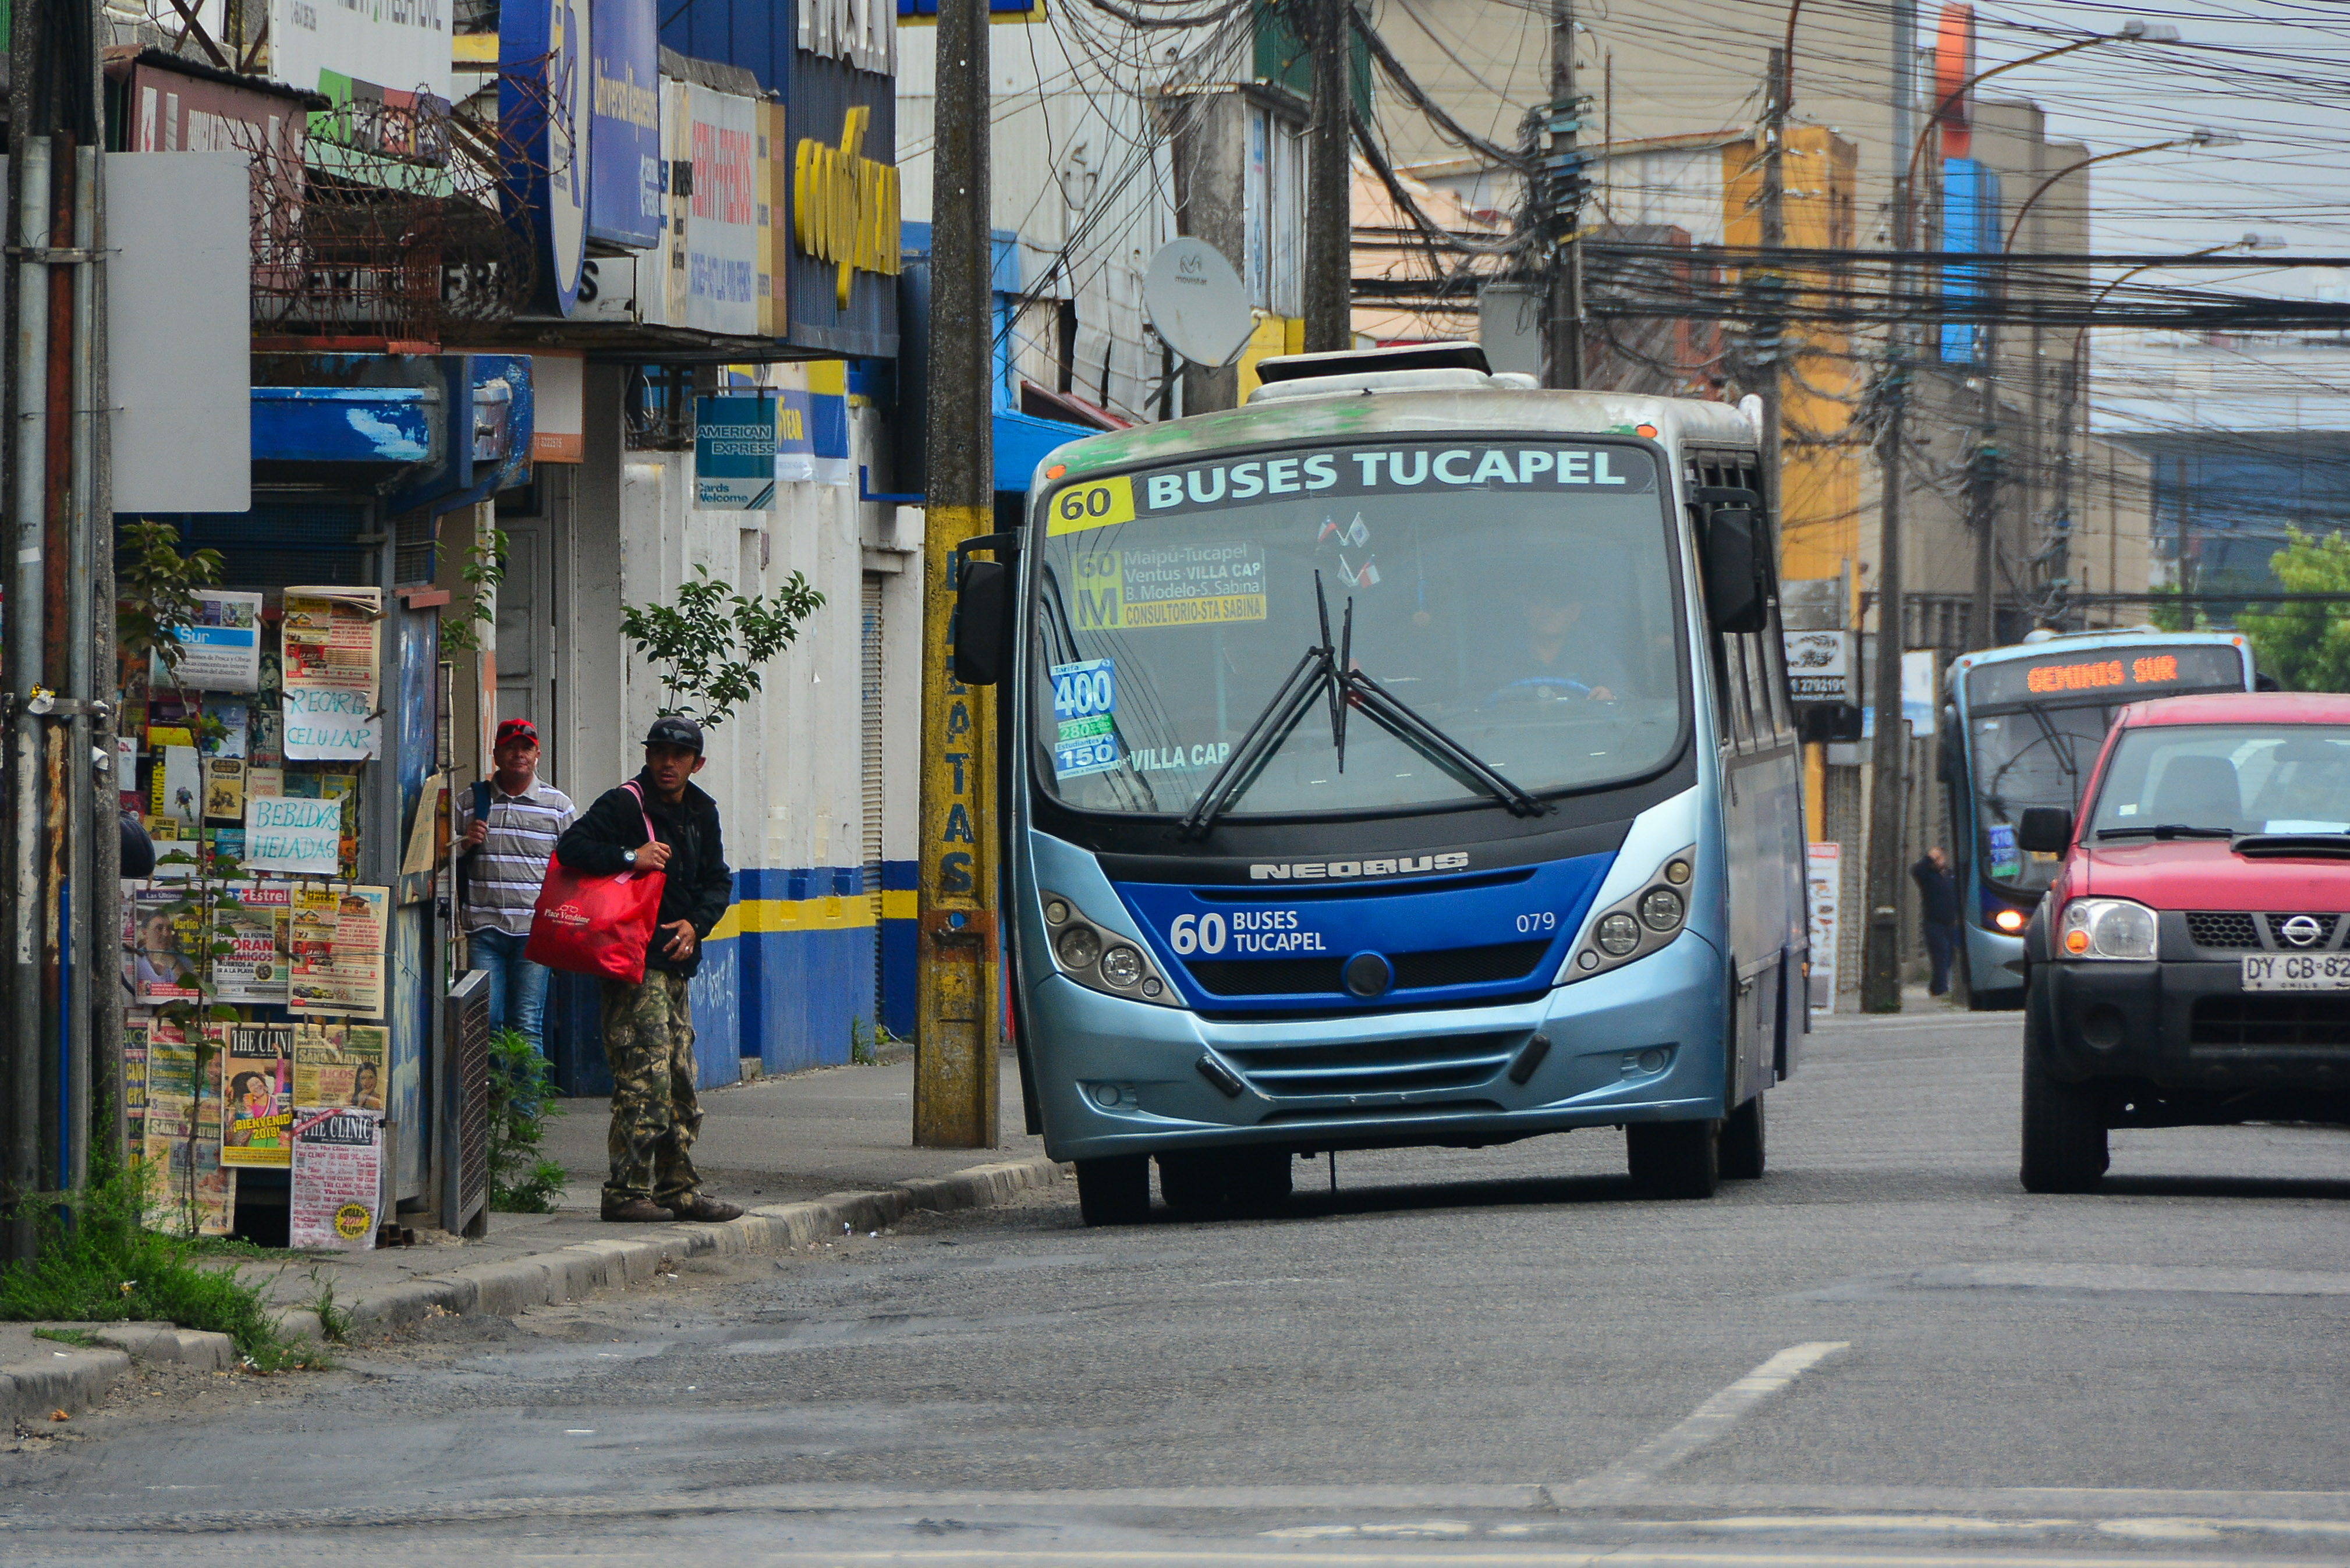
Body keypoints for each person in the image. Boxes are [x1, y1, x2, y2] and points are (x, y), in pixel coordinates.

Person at [554, 717, 742, 1225]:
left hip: (676, 965)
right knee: (645, 1081)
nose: (667, 763)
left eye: (679, 756)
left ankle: (679, 1189)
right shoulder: (625, 804)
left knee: (680, 1082)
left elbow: (717, 880)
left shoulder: (701, 810)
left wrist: (696, 925)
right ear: (647, 756)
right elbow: (570, 849)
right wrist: (629, 856)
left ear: (697, 764)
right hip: (633, 965)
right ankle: (625, 1191)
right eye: (659, 752)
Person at [455, 718, 576, 1056]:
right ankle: (493, 1093)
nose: (518, 754)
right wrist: (464, 842)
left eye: (526, 748)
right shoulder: (469, 802)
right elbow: (437, 858)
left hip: (534, 934)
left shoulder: (559, 807)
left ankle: (524, 1094)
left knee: (526, 1024)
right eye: (510, 747)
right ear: (496, 754)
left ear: (538, 755)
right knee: (486, 1023)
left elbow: (575, 868)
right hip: (484, 930)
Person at [1912, 846, 1961, 998]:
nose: (1939, 862)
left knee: (1950, 957)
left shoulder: (1950, 876)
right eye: (1936, 859)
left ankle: (1935, 986)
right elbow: (1916, 870)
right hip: (1934, 923)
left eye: (1941, 858)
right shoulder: (1928, 877)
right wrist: (1929, 858)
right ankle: (1941, 989)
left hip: (1951, 923)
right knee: (1941, 955)